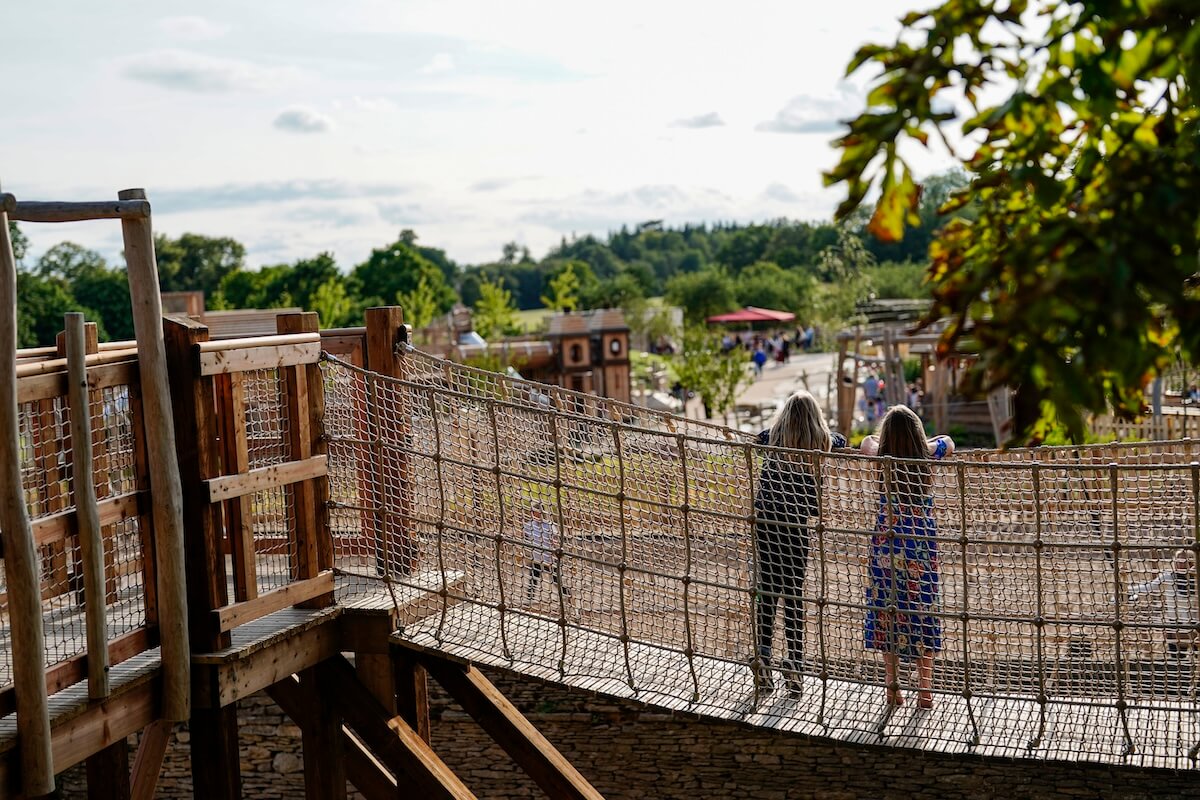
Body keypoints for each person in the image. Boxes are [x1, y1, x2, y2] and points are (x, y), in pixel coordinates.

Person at [753, 391, 847, 695]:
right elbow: (841, 439)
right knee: (794, 594)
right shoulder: (821, 440)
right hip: (796, 525)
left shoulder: (773, 438)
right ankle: (794, 662)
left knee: (768, 591)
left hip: (767, 523)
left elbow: (758, 438)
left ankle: (763, 657)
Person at [860, 406, 954, 709]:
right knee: (923, 608)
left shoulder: (881, 456)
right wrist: (924, 444)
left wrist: (886, 443)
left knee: (888, 610)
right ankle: (924, 690)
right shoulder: (926, 455)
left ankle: (893, 687)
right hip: (920, 545)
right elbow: (949, 442)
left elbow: (865, 443)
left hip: (887, 543)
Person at [1128, 548, 1198, 692]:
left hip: (1193, 625)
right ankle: (1178, 686)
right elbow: (1149, 587)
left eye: (1184, 561)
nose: (1180, 564)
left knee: (1196, 657)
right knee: (1177, 660)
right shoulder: (1168, 577)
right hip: (1175, 624)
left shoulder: (1196, 580)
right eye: (1178, 561)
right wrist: (1128, 589)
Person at [525, 501, 571, 605]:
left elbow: (554, 540)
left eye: (537, 512)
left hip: (549, 559)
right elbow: (526, 538)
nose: (535, 514)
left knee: (556, 581)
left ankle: (567, 595)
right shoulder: (529, 525)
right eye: (533, 512)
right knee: (533, 579)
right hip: (536, 558)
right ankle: (529, 599)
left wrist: (556, 550)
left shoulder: (549, 525)